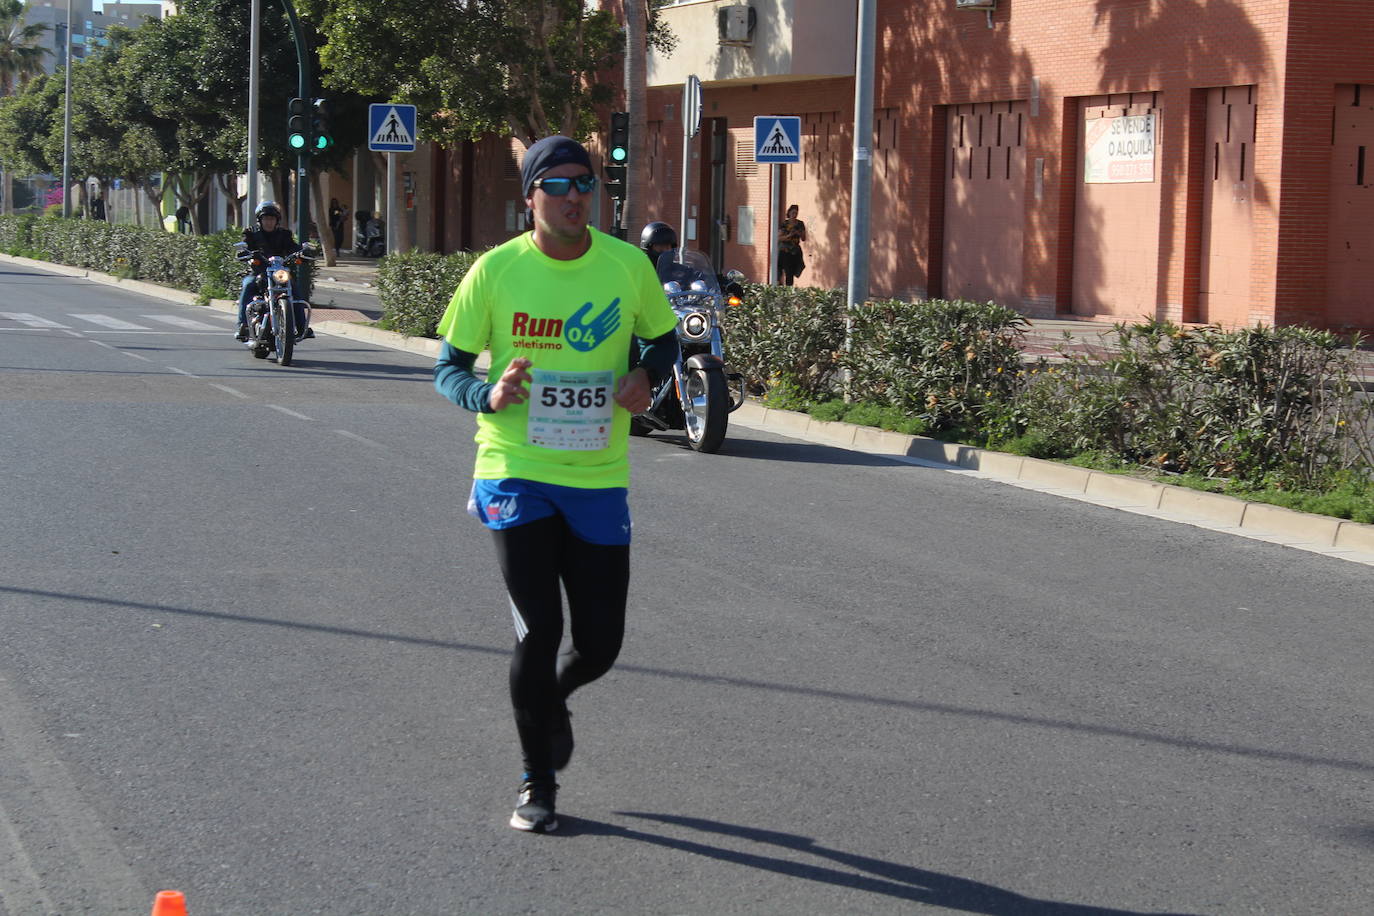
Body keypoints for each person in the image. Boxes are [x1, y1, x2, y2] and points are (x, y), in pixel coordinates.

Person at [433, 135, 680, 834]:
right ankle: (535, 779)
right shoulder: (497, 271)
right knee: (539, 630)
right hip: (516, 471)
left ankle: (555, 700)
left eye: (587, 184)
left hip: (599, 476)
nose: (576, 197)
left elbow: (662, 342)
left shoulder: (627, 266)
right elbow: (447, 367)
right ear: (530, 197)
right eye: (561, 185)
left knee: (599, 644)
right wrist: (486, 394)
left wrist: (647, 376)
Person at [235, 200, 310, 342]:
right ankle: (243, 326)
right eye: (266, 218)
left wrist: (301, 253)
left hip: (279, 273)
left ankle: (302, 327)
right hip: (258, 273)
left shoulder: (284, 234)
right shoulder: (251, 233)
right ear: (260, 220)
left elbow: (293, 247)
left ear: (277, 220)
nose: (269, 222)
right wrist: (245, 253)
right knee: (248, 285)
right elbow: (245, 247)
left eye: (272, 218)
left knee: (294, 288)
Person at [778, 204, 807, 286]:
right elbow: (779, 238)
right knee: (784, 271)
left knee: (792, 272)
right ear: (789, 213)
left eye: (796, 213)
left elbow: (804, 238)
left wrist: (799, 233)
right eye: (793, 213)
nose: (795, 215)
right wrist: (789, 235)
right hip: (785, 251)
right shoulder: (784, 224)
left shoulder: (800, 224)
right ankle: (781, 288)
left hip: (795, 251)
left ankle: (789, 289)